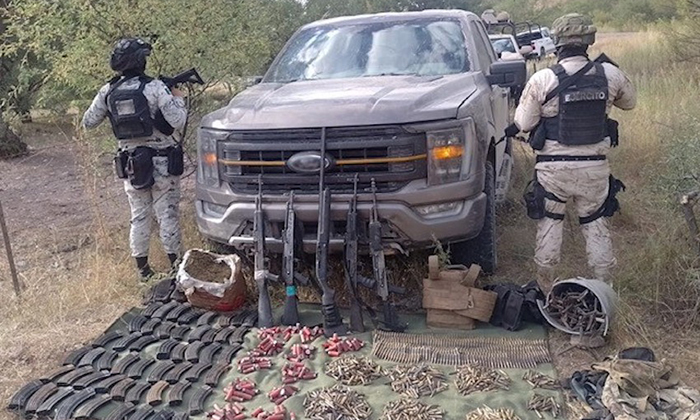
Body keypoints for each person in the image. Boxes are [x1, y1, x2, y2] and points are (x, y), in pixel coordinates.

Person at [507, 14, 637, 291]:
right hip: (595, 169)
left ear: (556, 42)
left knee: (550, 224)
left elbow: (524, 123)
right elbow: (630, 102)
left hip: (553, 170)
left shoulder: (543, 78)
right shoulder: (609, 74)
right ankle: (605, 289)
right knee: (595, 224)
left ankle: (544, 288)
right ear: (589, 41)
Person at [82, 37, 188, 279]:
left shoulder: (108, 90)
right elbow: (178, 121)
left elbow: (88, 122)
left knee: (139, 216)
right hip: (162, 161)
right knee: (167, 214)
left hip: (131, 165)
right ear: (141, 60)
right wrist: (178, 97)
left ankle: (143, 272)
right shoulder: (154, 87)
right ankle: (176, 269)